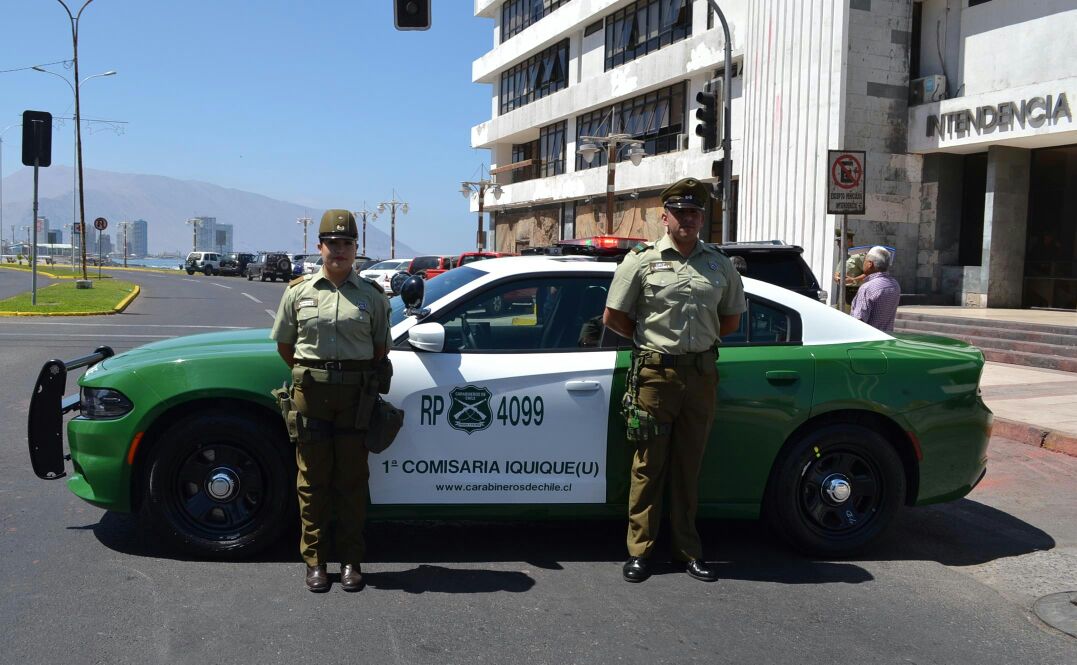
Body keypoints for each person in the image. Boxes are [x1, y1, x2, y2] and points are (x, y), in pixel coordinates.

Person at [603, 177, 746, 583]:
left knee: (689, 465)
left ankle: (688, 552)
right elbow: (613, 316)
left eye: (695, 212)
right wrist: (651, 343)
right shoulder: (642, 261)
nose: (688, 219)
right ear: (664, 217)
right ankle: (640, 552)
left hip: (701, 376)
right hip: (655, 376)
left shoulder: (718, 264)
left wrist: (696, 344)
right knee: (649, 465)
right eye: (680, 212)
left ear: (702, 218)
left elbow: (731, 319)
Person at [270, 209, 391, 592]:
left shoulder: (372, 297)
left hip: (356, 396)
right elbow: (286, 346)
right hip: (312, 394)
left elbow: (378, 349)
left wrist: (347, 374)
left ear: (356, 249)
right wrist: (317, 373)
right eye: (332, 243)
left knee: (353, 481)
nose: (339, 250)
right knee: (312, 481)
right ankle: (316, 561)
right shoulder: (298, 291)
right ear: (319, 246)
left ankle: (352, 560)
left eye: (347, 244)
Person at [850, 246, 900, 332]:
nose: (863, 263)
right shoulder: (895, 285)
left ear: (870, 264)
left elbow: (858, 321)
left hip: (867, 341)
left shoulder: (867, 288)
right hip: (886, 338)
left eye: (864, 260)